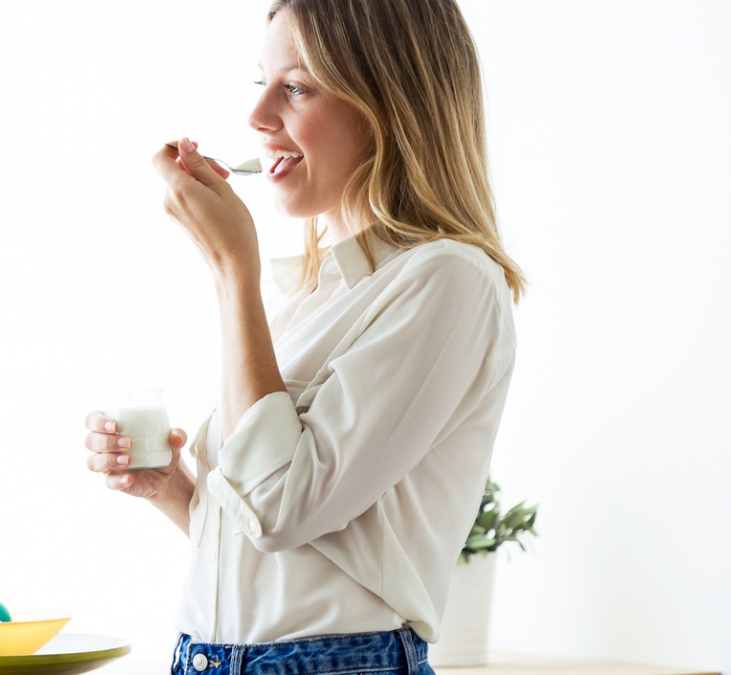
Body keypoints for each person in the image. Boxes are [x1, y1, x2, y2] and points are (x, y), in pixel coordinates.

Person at [83, 0, 524, 672]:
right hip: (205, 655)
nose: (258, 117)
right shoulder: (315, 295)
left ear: (388, 104)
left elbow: (286, 507)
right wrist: (172, 488)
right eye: (260, 82)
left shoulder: (449, 280)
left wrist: (234, 267)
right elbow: (276, 538)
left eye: (295, 86)